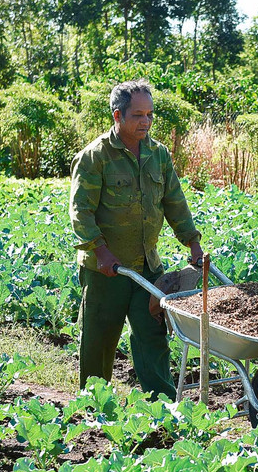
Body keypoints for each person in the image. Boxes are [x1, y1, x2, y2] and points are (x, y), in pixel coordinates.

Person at [69, 79, 203, 400]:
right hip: (106, 271)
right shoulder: (95, 157)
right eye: (137, 115)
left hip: (146, 267)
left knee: (153, 336)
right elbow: (80, 212)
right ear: (118, 116)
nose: (145, 122)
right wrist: (100, 252)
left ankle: (163, 408)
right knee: (99, 341)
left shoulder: (158, 155)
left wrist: (193, 243)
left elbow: (174, 202)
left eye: (150, 115)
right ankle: (94, 405)